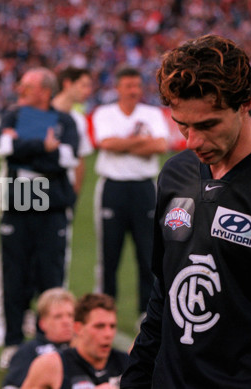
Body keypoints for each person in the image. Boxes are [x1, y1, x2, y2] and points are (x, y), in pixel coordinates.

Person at [121, 34, 251, 388]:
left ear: (245, 103)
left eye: (208, 125)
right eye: (182, 124)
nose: (192, 142)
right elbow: (164, 290)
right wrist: (136, 377)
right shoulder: (175, 173)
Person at [0, 67, 79, 370]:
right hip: (17, 207)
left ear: (45, 90)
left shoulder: (65, 120)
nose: (20, 89)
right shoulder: (13, 115)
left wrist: (23, 150)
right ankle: (13, 343)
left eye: (27, 85)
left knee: (51, 278)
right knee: (14, 277)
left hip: (53, 209)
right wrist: (42, 147)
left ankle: (51, 345)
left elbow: (69, 158)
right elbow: (4, 149)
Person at [91, 66, 169, 321]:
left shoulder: (152, 113)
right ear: (118, 88)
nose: (133, 90)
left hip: (144, 187)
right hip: (113, 187)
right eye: (128, 86)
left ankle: (145, 315)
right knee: (109, 255)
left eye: (136, 85)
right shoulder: (105, 113)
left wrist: (123, 143)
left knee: (147, 254)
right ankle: (104, 311)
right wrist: (140, 141)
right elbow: (105, 143)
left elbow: (161, 144)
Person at [21, 293, 128, 389]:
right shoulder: (52, 365)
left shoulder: (128, 364)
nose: (108, 334)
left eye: (112, 326)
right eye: (99, 326)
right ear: (78, 328)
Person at [1, 288, 75, 389]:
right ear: (42, 323)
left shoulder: (84, 349)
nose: (66, 322)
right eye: (58, 316)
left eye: (70, 315)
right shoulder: (29, 351)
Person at [52, 66, 94, 195]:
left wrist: (74, 194)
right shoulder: (41, 113)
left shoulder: (79, 120)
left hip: (63, 191)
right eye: (84, 85)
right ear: (67, 83)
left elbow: (80, 160)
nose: (88, 91)